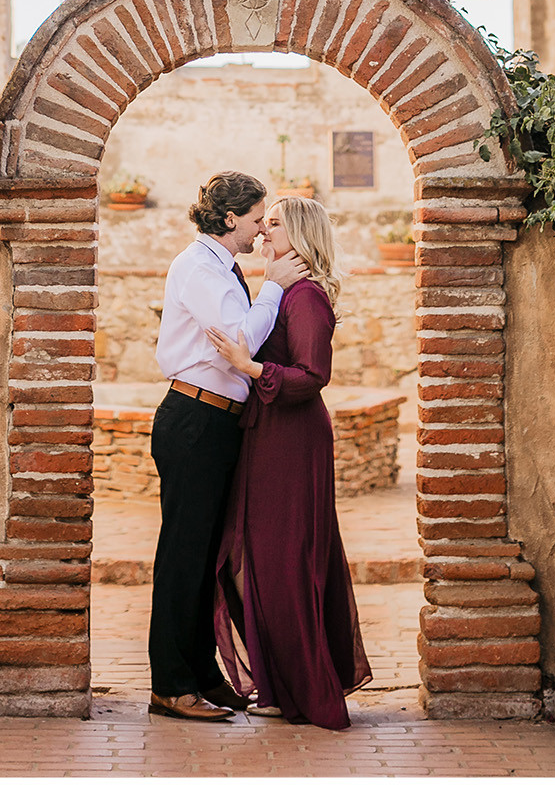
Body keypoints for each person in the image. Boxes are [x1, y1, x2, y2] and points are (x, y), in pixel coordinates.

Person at [147, 170, 307, 723]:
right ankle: (169, 685)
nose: (265, 229)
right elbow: (240, 337)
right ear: (231, 217)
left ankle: (202, 674)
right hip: (194, 418)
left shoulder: (221, 266)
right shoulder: (197, 266)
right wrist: (276, 285)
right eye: (260, 218)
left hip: (216, 422)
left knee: (207, 558)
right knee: (183, 557)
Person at [206, 193, 371, 725]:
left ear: (299, 236)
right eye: (264, 223)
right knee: (248, 559)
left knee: (283, 562)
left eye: (273, 225)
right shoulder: (282, 290)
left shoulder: (306, 297)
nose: (263, 234)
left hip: (292, 440)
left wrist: (247, 367)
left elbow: (312, 376)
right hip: (269, 434)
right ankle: (281, 684)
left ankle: (306, 690)